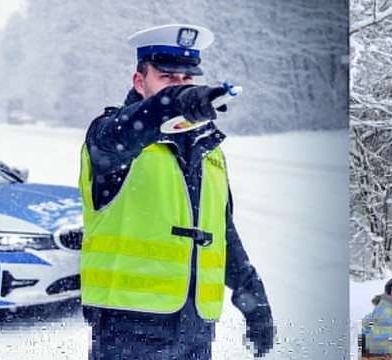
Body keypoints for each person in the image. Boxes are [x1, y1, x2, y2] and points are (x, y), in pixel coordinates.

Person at [78, 24, 273, 359]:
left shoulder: (209, 150)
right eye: (167, 77)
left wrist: (254, 300)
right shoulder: (110, 138)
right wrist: (173, 104)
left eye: (187, 81)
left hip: (195, 328)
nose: (180, 87)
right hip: (128, 328)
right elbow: (137, 124)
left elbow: (222, 234)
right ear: (140, 83)